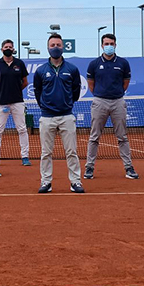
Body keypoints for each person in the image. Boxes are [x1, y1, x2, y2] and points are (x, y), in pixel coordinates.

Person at [84, 33, 138, 180]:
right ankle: (89, 167)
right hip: (99, 102)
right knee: (94, 136)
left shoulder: (123, 63)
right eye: (106, 43)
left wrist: (116, 94)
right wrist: (101, 95)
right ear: (102, 45)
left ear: (115, 45)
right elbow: (91, 84)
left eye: (111, 43)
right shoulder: (94, 64)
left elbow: (125, 82)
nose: (109, 46)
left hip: (118, 102)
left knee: (122, 137)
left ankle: (129, 168)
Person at [34, 33, 84, 194]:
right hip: (47, 117)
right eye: (53, 45)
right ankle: (46, 182)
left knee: (71, 152)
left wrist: (67, 104)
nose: (55, 48)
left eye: (58, 45)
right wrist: (45, 106)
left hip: (66, 116)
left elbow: (75, 91)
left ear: (63, 47)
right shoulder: (41, 71)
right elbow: (37, 92)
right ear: (48, 48)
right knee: (46, 153)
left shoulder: (72, 69)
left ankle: (75, 182)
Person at [0, 39, 31, 166]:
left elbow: (25, 82)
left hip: (17, 102)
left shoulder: (19, 63)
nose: (8, 48)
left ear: (13, 49)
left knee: (22, 129)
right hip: (1, 102)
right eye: (6, 47)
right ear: (2, 49)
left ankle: (25, 156)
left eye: (10, 47)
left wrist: (15, 90)